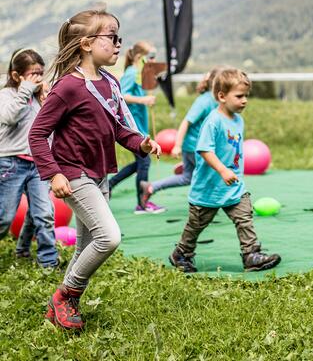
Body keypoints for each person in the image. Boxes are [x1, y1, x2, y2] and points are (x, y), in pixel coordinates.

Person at [29, 9, 161, 331]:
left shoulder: (110, 82)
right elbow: (37, 134)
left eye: (120, 37)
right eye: (112, 37)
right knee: (109, 237)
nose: (118, 44)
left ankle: (61, 307)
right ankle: (64, 296)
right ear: (87, 44)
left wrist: (140, 143)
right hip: (73, 174)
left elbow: (117, 128)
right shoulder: (68, 87)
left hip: (99, 173)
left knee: (87, 244)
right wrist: (54, 174)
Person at [168, 67, 281, 273]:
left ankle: (251, 255)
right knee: (196, 226)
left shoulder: (238, 120)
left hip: (234, 187)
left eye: (246, 96)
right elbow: (203, 149)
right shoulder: (213, 121)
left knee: (244, 217)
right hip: (209, 188)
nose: (244, 100)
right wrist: (222, 170)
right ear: (221, 96)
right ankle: (181, 254)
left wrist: (232, 173)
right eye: (239, 96)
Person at [0, 49, 59, 268]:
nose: (38, 79)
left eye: (40, 74)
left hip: (38, 165)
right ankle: (22, 249)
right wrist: (25, 90)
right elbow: (9, 117)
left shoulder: (39, 98)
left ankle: (48, 262)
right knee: (4, 219)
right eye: (33, 74)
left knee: (43, 213)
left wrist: (46, 100)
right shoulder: (6, 96)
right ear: (17, 76)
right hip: (10, 163)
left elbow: (48, 129)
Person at [140, 68, 220, 205]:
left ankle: (151, 187)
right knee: (211, 175)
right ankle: (203, 205)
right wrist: (177, 145)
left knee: (187, 177)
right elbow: (186, 122)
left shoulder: (216, 100)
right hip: (195, 148)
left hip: (196, 147)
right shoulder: (205, 101)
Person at [108, 41, 164, 213]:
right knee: (144, 162)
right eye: (150, 57)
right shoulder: (132, 73)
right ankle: (142, 203)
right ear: (140, 57)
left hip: (141, 125)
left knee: (141, 162)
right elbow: (121, 96)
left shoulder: (139, 73)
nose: (152, 60)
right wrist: (143, 100)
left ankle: (111, 183)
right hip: (133, 128)